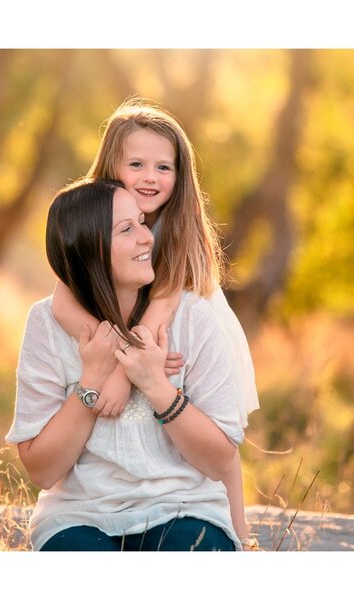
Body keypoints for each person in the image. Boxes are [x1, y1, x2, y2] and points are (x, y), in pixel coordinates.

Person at [49, 99, 260, 546]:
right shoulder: (91, 218)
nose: (151, 177)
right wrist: (102, 352)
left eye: (164, 167)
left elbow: (160, 308)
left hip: (179, 323)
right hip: (133, 337)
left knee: (219, 433)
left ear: (180, 176)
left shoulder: (180, 229)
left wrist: (127, 376)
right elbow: (63, 302)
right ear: (111, 165)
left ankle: (240, 530)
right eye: (137, 164)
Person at [7, 179, 243, 550]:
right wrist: (93, 378)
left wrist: (156, 386)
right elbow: (42, 470)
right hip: (79, 516)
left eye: (142, 223)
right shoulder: (46, 323)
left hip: (184, 511)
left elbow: (219, 460)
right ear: (91, 247)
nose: (148, 237)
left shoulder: (193, 317)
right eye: (127, 229)